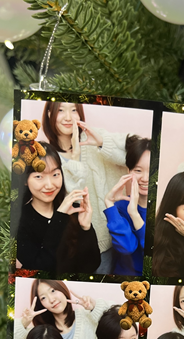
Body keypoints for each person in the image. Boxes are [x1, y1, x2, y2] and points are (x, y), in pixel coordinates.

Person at [41, 101, 131, 273]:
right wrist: (75, 158)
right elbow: (73, 201)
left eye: (74, 110)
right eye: (61, 110)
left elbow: (136, 156)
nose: (68, 117)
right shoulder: (48, 157)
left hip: (109, 237)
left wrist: (102, 142)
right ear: (50, 114)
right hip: (73, 244)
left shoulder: (94, 138)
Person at [15, 142, 100, 274]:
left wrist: (86, 228)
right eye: (39, 176)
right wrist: (59, 217)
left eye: (55, 174)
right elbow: (39, 270)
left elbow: (92, 265)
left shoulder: (74, 210)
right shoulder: (19, 220)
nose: (50, 185)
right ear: (25, 180)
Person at [103, 135, 151, 275]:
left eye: (152, 170)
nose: (145, 178)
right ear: (128, 172)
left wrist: (135, 215)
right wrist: (109, 204)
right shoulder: (120, 207)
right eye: (138, 170)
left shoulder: (162, 209)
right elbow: (127, 247)